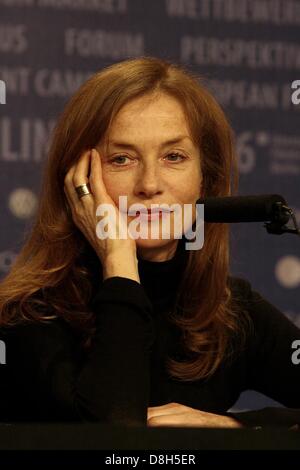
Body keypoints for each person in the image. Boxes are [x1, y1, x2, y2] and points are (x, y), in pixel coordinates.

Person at [0, 56, 299, 429]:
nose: (150, 184)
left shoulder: (230, 311)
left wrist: (235, 428)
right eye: (122, 159)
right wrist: (119, 262)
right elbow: (115, 438)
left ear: (204, 180)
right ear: (78, 183)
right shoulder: (28, 317)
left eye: (174, 157)